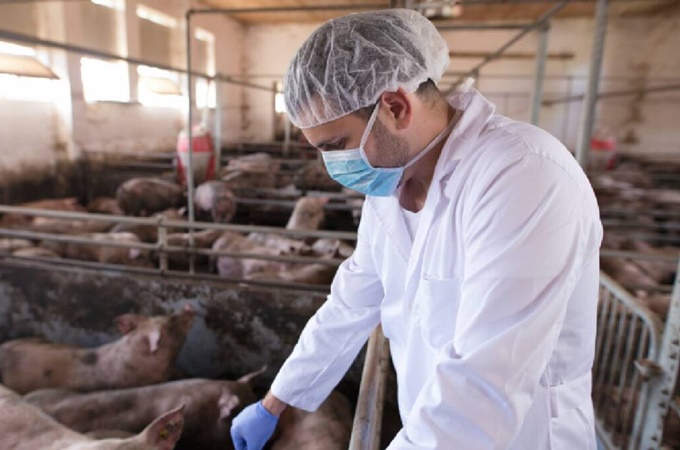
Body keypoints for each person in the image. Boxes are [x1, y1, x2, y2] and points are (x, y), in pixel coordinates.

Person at [231, 9, 602, 450]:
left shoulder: (523, 175)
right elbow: (351, 303)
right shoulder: (390, 187)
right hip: (429, 427)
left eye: (336, 146)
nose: (333, 166)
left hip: (519, 437)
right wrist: (275, 402)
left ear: (395, 107)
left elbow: (485, 381)